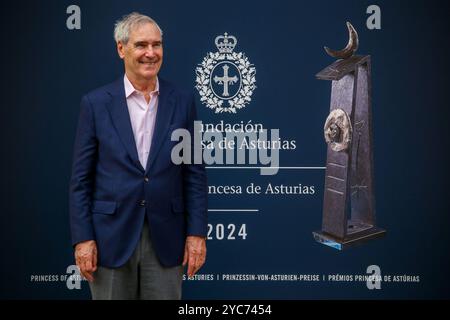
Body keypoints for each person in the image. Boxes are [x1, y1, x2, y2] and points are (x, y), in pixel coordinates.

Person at [69, 12, 207, 300]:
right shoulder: (95, 104)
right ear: (121, 49)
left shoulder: (182, 101)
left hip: (166, 239)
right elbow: (81, 180)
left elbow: (194, 174)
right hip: (110, 239)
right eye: (141, 45)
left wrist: (196, 234)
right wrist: (83, 238)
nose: (150, 53)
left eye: (157, 45)